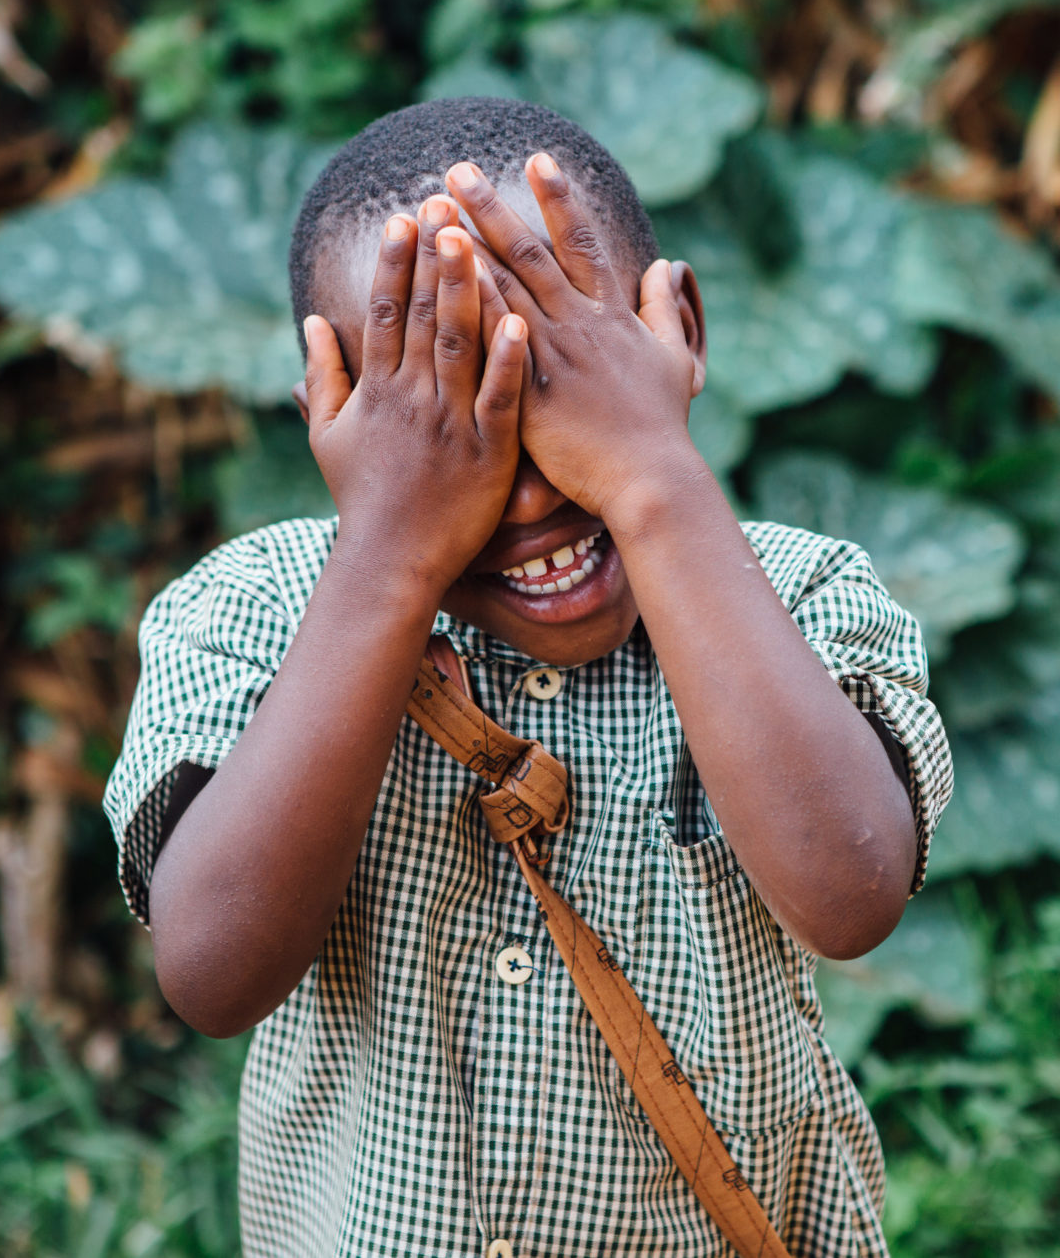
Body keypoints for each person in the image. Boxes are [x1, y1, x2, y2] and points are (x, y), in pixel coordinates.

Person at [100, 96, 952, 1256]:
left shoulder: (796, 598)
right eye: (447, 420)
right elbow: (211, 975)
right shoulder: (251, 614)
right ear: (332, 420)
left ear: (676, 332)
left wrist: (649, 477)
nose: (532, 490)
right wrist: (393, 548)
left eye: (559, 383)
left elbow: (849, 897)